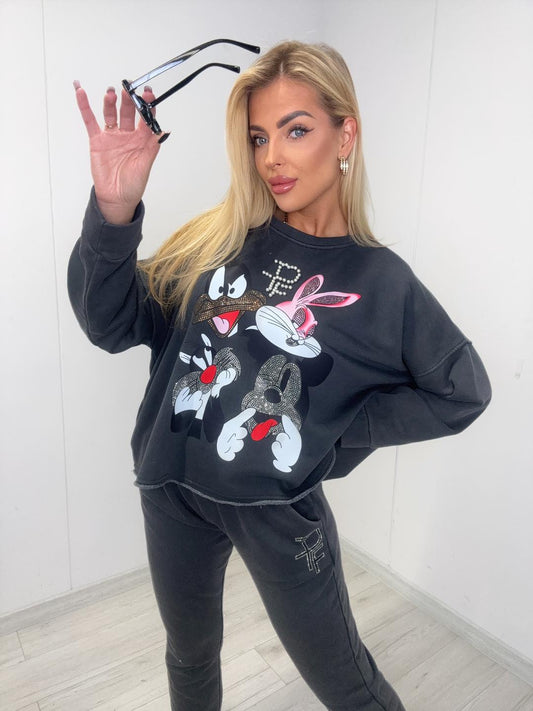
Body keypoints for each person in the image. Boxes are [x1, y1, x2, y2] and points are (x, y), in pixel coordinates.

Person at [69, 40, 491, 711]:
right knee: (188, 654)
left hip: (276, 511)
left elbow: (461, 391)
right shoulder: (217, 238)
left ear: (344, 135)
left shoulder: (382, 282)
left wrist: (331, 431)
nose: (272, 157)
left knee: (348, 686)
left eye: (296, 130)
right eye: (259, 136)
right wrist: (113, 210)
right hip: (170, 486)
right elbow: (109, 322)